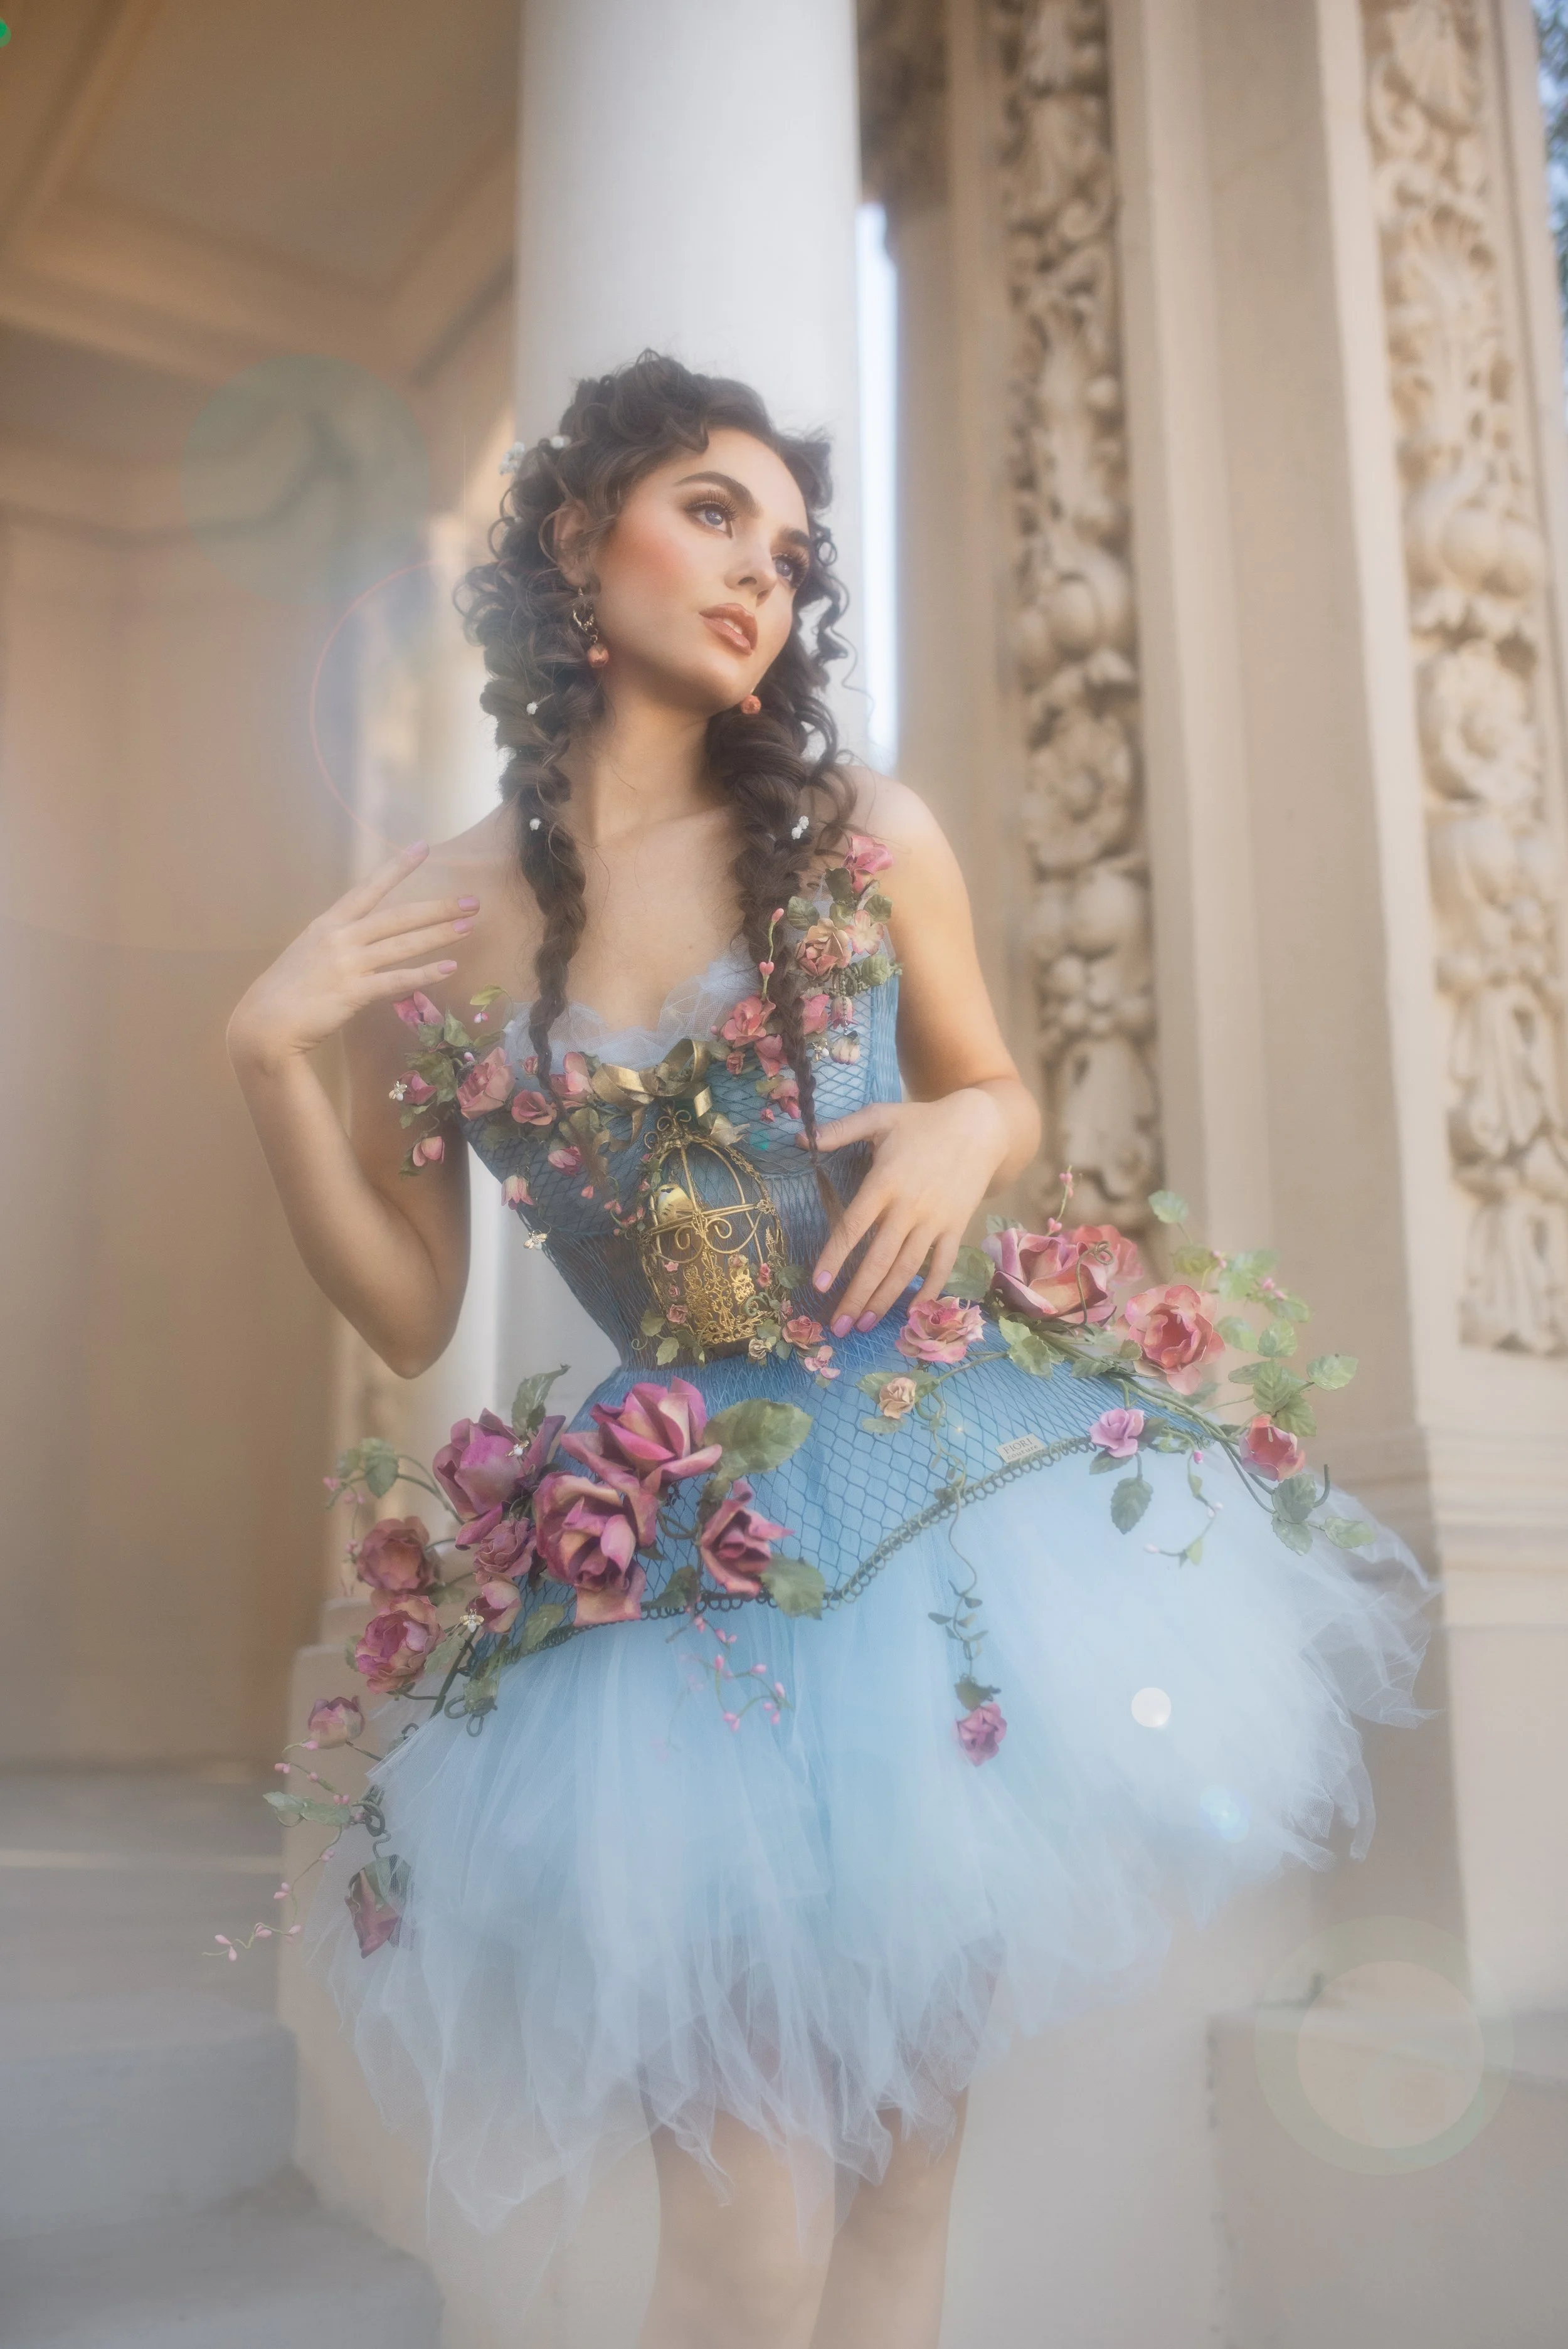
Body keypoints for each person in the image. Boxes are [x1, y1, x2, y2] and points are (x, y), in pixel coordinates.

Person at [226, 351, 1438, 2349]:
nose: (760, 576)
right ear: (568, 536)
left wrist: (971, 1124)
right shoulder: (437, 927)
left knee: (906, 2176)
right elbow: (412, 1300)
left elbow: (989, 1086)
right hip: (673, 1571)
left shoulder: (864, 833)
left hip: (933, 1508)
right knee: (742, 2232)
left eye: (789, 552)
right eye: (712, 514)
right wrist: (268, 1054)